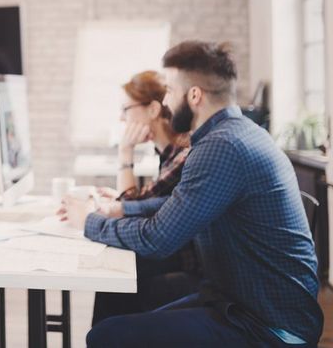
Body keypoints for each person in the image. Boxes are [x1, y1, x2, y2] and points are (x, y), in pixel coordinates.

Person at [62, 41, 323, 347]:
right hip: (243, 303)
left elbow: (156, 239)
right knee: (114, 320)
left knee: (106, 336)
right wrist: (122, 211)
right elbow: (180, 205)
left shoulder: (220, 147)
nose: (167, 102)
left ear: (194, 95)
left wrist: (89, 222)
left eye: (170, 90)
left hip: (267, 325)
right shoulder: (238, 133)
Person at [68, 70, 199, 324]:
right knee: (110, 280)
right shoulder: (170, 154)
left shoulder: (182, 155)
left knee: (112, 285)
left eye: (125, 109)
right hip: (178, 258)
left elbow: (132, 205)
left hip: (187, 268)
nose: (121, 117)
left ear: (152, 110)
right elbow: (140, 203)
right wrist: (120, 202)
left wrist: (125, 152)